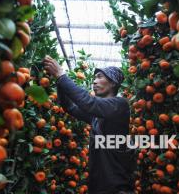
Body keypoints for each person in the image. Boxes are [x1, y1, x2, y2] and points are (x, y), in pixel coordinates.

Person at [43, 56, 135, 194]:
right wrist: (59, 81)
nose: (94, 81)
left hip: (116, 188)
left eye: (99, 77)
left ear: (113, 83)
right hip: (97, 186)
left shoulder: (120, 105)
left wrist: (62, 76)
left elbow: (89, 103)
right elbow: (70, 107)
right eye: (94, 78)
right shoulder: (96, 117)